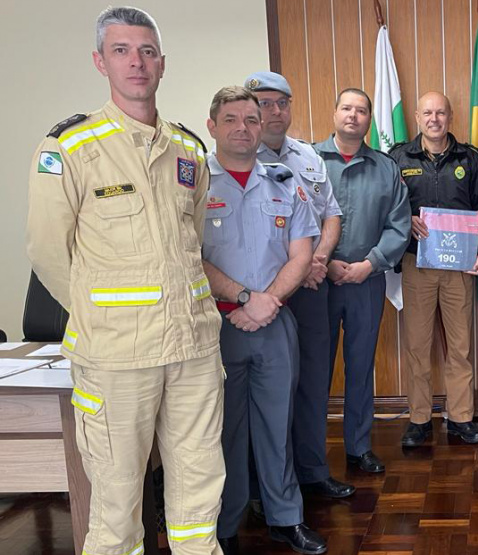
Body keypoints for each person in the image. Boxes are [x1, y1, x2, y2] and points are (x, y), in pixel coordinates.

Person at [26, 7, 225, 554]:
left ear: (162, 63)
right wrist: (103, 316)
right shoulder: (68, 147)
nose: (136, 62)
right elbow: (47, 252)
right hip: (116, 356)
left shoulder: (188, 149)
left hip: (193, 348)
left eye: (146, 51)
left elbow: (194, 241)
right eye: (121, 50)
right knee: (116, 507)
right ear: (100, 61)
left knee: (199, 495)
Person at [201, 86, 325, 555]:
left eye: (251, 120)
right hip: (215, 328)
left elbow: (301, 254)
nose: (242, 128)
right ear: (212, 126)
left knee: (278, 427)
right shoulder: (194, 184)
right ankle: (225, 526)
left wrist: (266, 302)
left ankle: (285, 519)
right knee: (223, 431)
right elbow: (187, 256)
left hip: (274, 323)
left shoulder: (284, 180)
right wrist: (244, 297)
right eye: (231, 119)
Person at [245, 71, 355, 500]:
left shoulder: (308, 156)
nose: (274, 111)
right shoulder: (235, 155)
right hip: (257, 295)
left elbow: (331, 215)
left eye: (282, 103)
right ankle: (262, 487)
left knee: (312, 382)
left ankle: (311, 471)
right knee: (264, 393)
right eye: (264, 103)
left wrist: (318, 259)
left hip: (309, 289)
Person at [313, 89, 411, 473]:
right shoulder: (310, 160)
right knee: (315, 369)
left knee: (360, 367)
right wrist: (324, 262)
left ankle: (358, 447)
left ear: (370, 119)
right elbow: (296, 216)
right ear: (335, 112)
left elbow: (398, 224)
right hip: (316, 281)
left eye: (361, 110)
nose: (353, 116)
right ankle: (311, 454)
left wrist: (369, 265)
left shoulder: (385, 167)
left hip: (367, 282)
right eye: (347, 108)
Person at [389, 92, 478, 447]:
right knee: (418, 345)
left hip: (460, 267)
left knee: (460, 346)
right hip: (416, 262)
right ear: (417, 116)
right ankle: (419, 419)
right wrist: (406, 222)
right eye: (428, 112)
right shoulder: (399, 157)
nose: (434, 119)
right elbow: (386, 208)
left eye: (441, 112)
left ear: (451, 116)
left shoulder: (470, 159)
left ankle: (462, 417)